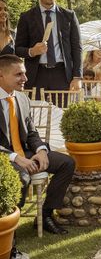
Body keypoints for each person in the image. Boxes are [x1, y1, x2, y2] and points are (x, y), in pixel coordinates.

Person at [0, 54, 75, 234]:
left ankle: (45, 215)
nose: (25, 79)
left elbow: (32, 132)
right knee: (22, 177)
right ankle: (10, 230)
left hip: (25, 153)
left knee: (67, 163)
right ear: (1, 75)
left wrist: (41, 150)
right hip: (4, 157)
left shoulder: (22, 99)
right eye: (19, 74)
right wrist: (16, 158)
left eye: (24, 74)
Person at [15, 0, 82, 93]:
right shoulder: (26, 17)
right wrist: (31, 51)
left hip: (62, 74)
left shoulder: (69, 16)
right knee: (36, 111)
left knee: (62, 111)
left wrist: (77, 77)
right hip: (36, 75)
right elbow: (18, 49)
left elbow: (77, 48)